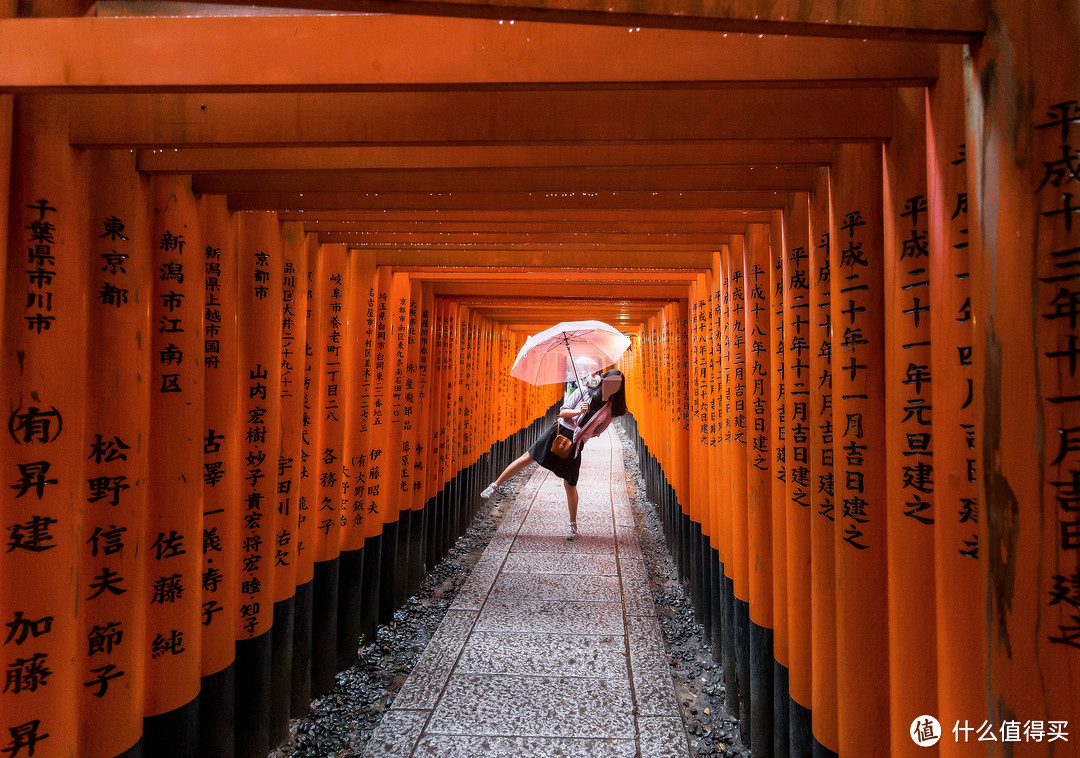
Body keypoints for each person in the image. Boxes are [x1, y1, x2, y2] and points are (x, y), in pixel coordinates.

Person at [481, 368, 628, 539]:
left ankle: (572, 525)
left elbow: (599, 431)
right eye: (611, 382)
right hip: (558, 432)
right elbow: (562, 411)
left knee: (570, 483)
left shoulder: (611, 410)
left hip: (575, 442)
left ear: (620, 388)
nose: (613, 386)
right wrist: (578, 411)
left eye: (617, 384)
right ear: (603, 380)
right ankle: (495, 485)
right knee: (528, 457)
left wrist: (583, 434)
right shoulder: (584, 391)